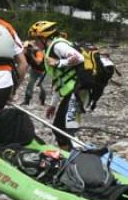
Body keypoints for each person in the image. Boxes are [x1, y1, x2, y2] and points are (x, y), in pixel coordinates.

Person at [28, 20, 87, 150]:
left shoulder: (58, 46)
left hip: (77, 90)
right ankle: (66, 155)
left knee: (67, 130)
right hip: (70, 92)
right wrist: (53, 105)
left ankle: (75, 158)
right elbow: (58, 79)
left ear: (43, 38)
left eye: (36, 39)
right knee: (58, 129)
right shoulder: (50, 50)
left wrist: (59, 63)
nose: (34, 43)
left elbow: (79, 58)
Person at [22, 37, 47, 106]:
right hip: (34, 70)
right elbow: (25, 63)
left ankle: (42, 101)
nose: (24, 50)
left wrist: (32, 55)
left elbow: (38, 62)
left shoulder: (37, 51)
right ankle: (27, 101)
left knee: (43, 87)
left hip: (43, 71)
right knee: (30, 84)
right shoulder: (26, 53)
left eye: (25, 48)